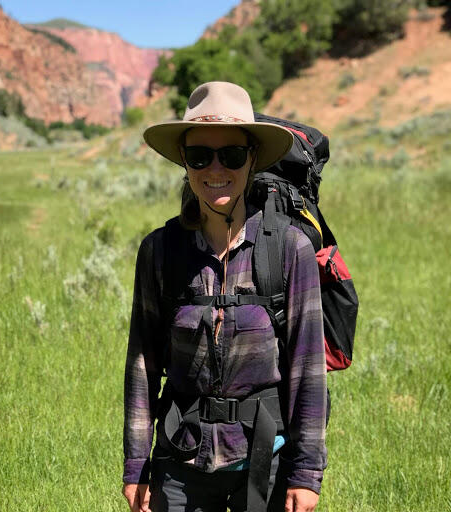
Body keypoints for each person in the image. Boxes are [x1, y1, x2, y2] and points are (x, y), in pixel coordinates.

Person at [122, 81, 327, 512]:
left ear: (252, 159)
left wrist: (306, 473)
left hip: (265, 463)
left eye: (232, 154)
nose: (216, 168)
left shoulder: (289, 249)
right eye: (200, 155)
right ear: (184, 161)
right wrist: (137, 462)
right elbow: (142, 364)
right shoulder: (159, 251)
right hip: (180, 460)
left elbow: (308, 368)